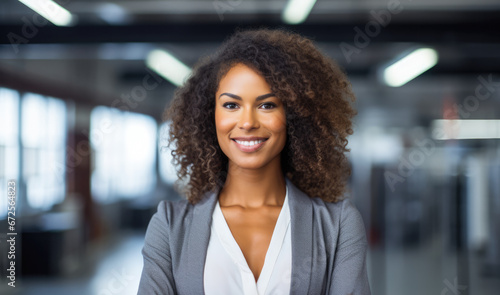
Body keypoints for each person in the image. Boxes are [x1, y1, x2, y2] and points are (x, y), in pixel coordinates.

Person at [138, 27, 371, 295]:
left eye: (267, 105)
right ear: (208, 115)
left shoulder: (338, 226)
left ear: (294, 116)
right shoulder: (169, 226)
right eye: (231, 105)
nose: (247, 122)